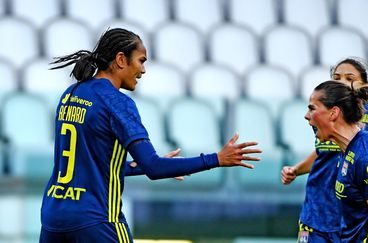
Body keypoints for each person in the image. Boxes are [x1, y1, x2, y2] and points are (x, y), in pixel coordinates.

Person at [39, 28, 262, 243]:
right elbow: (154, 168)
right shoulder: (117, 102)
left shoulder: (71, 93)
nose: (143, 70)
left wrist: (139, 166)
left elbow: (87, 165)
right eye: (141, 60)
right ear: (121, 60)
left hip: (53, 217)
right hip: (96, 219)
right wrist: (216, 159)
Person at [281, 57, 368, 242]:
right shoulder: (323, 118)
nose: (341, 82)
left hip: (351, 216)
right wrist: (296, 170)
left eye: (349, 77)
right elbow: (323, 153)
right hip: (315, 215)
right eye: (336, 77)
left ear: (364, 84)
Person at [306, 80, 368, 242]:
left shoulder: (367, 156)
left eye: (312, 108)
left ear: (333, 113)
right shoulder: (348, 148)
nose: (306, 115)